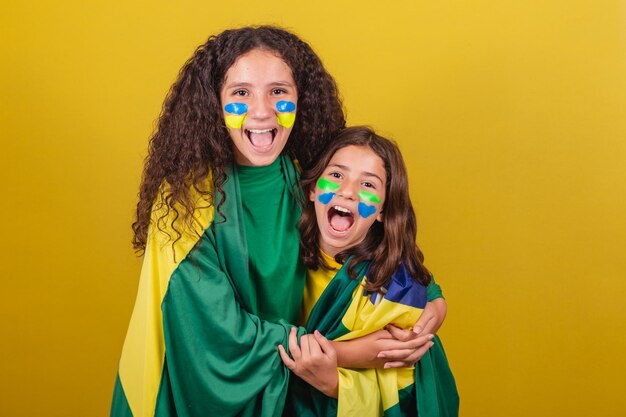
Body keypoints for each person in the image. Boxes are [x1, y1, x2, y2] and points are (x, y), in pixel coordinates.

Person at [111, 27, 446, 417]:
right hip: (178, 394)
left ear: (300, 98)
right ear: (213, 103)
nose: (262, 111)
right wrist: (349, 354)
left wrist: (429, 298)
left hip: (284, 392)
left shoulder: (307, 178)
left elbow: (358, 253)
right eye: (241, 93)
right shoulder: (185, 202)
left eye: (278, 91)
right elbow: (217, 337)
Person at [279, 126, 459, 416]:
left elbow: (399, 374)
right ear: (312, 189)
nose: (348, 192)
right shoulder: (280, 254)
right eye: (336, 175)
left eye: (368, 185)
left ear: (383, 211)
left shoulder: (396, 286)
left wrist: (335, 382)